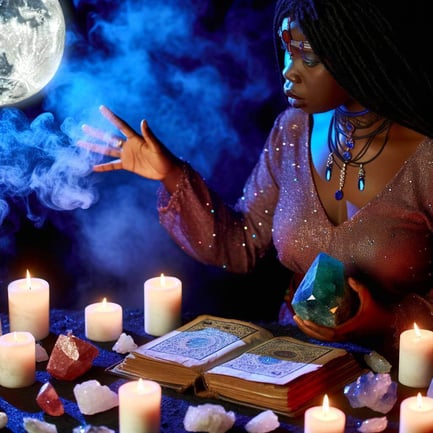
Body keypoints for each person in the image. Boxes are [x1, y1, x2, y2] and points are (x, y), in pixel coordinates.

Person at [78, 0, 433, 358]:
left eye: (308, 58)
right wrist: (171, 174)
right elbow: (240, 243)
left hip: (405, 378)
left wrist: (387, 320)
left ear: (359, 52)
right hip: (297, 360)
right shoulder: (292, 129)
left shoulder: (427, 157)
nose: (288, 72)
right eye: (286, 51)